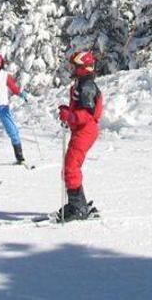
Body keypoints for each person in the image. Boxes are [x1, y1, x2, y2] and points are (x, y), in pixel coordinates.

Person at [57, 51, 103, 220]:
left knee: (70, 167)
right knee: (70, 167)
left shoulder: (87, 86)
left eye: (75, 66)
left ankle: (78, 208)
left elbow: (87, 114)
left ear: (84, 68)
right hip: (81, 130)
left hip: (86, 130)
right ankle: (78, 204)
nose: (72, 69)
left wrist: (70, 116)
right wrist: (67, 111)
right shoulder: (81, 84)